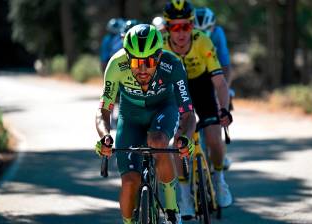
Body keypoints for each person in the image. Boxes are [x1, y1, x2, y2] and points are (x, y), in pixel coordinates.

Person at [95, 24, 196, 224]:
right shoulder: (116, 65)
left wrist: (184, 138)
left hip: (163, 109)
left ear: (158, 57)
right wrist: (105, 137)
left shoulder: (173, 65)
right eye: (135, 63)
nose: (142, 69)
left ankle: (171, 209)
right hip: (130, 117)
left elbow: (188, 113)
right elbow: (103, 110)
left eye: (149, 62)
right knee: (130, 182)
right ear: (127, 58)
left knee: (158, 141)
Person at [162, 0, 233, 220]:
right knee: (178, 143)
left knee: (214, 138)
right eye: (175, 27)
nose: (181, 32)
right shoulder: (161, 46)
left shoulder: (202, 41)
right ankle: (184, 198)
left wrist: (224, 109)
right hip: (176, 90)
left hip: (201, 87)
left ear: (192, 26)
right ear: (167, 28)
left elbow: (220, 82)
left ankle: (220, 180)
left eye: (186, 26)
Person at [194, 7, 234, 169]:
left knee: (219, 111)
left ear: (213, 26)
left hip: (213, 74)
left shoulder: (218, 33)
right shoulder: (186, 36)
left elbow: (225, 66)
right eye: (198, 30)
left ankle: (219, 150)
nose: (203, 33)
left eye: (207, 30)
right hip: (193, 76)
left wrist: (224, 89)